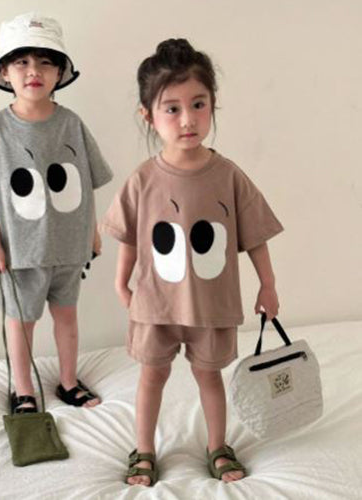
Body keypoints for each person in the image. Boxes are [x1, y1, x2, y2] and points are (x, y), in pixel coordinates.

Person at [101, 38, 284, 485]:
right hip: (155, 304)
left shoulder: (228, 175)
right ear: (148, 115)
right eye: (172, 108)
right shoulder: (143, 179)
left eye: (198, 105)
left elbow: (255, 235)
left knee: (209, 377)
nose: (187, 119)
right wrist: (121, 283)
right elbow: (130, 235)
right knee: (151, 377)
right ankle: (144, 450)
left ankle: (218, 446)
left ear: (212, 105)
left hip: (210, 305)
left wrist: (268, 284)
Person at [0, 13, 113, 413]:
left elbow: (86, 180)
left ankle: (68, 381)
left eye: (45, 62)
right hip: (21, 252)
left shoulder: (71, 124)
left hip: (69, 247)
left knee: (67, 318)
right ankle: (23, 390)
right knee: (21, 322)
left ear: (59, 72)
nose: (33, 72)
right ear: (4, 71)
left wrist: (93, 232)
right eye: (22, 62)